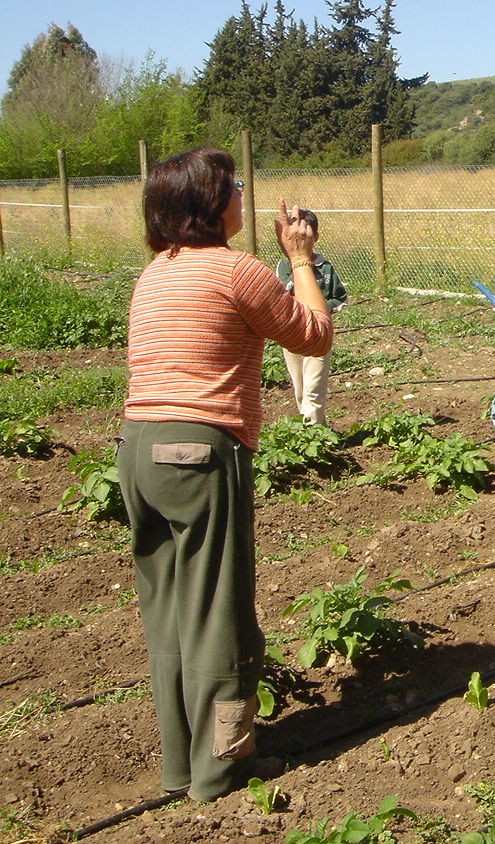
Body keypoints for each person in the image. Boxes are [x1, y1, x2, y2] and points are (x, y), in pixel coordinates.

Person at [118, 147, 333, 801]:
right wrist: (300, 258)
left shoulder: (154, 274)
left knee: (171, 615)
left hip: (138, 451)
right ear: (211, 205)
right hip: (200, 453)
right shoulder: (236, 272)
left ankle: (181, 766)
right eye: (235, 185)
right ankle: (220, 771)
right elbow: (315, 335)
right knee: (218, 615)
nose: (244, 193)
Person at [274, 209, 347, 426]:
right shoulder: (285, 266)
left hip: (319, 332)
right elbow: (281, 293)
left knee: (314, 386)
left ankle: (311, 432)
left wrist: (324, 309)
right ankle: (315, 429)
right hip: (292, 331)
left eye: (305, 231)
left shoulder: (325, 268)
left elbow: (339, 296)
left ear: (315, 236)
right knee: (300, 385)